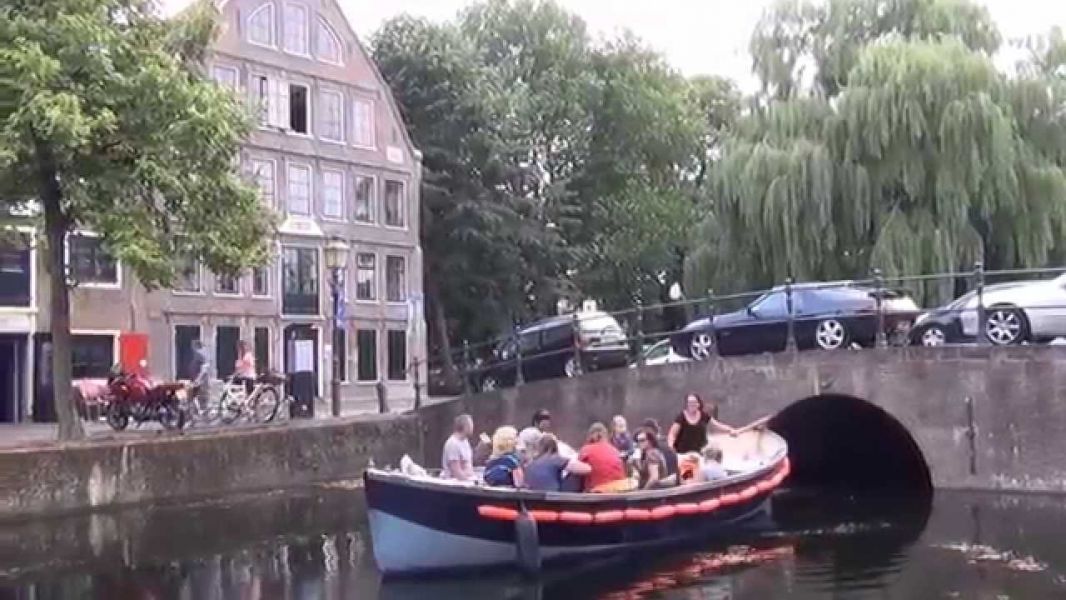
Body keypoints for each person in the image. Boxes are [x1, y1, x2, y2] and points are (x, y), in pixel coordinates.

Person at [667, 393, 737, 454]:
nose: (692, 404)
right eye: (690, 402)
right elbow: (672, 434)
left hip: (700, 453)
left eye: (694, 402)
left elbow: (717, 425)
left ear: (698, 404)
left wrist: (730, 430)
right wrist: (671, 446)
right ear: (687, 404)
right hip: (683, 454)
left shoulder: (704, 415)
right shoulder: (681, 417)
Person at [525, 434, 592, 491]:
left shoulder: (531, 463)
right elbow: (587, 469)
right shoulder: (554, 458)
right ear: (552, 448)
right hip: (553, 496)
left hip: (534, 499)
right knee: (575, 473)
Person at [578, 422, 629, 492]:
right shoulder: (615, 450)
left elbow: (578, 470)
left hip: (598, 491)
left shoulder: (586, 450)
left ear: (590, 436)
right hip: (619, 490)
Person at [442, 414, 475, 481]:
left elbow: (469, 464)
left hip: (469, 478)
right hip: (455, 483)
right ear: (465, 427)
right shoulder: (453, 444)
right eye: (471, 425)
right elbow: (456, 472)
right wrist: (470, 482)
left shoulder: (465, 441)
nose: (473, 427)